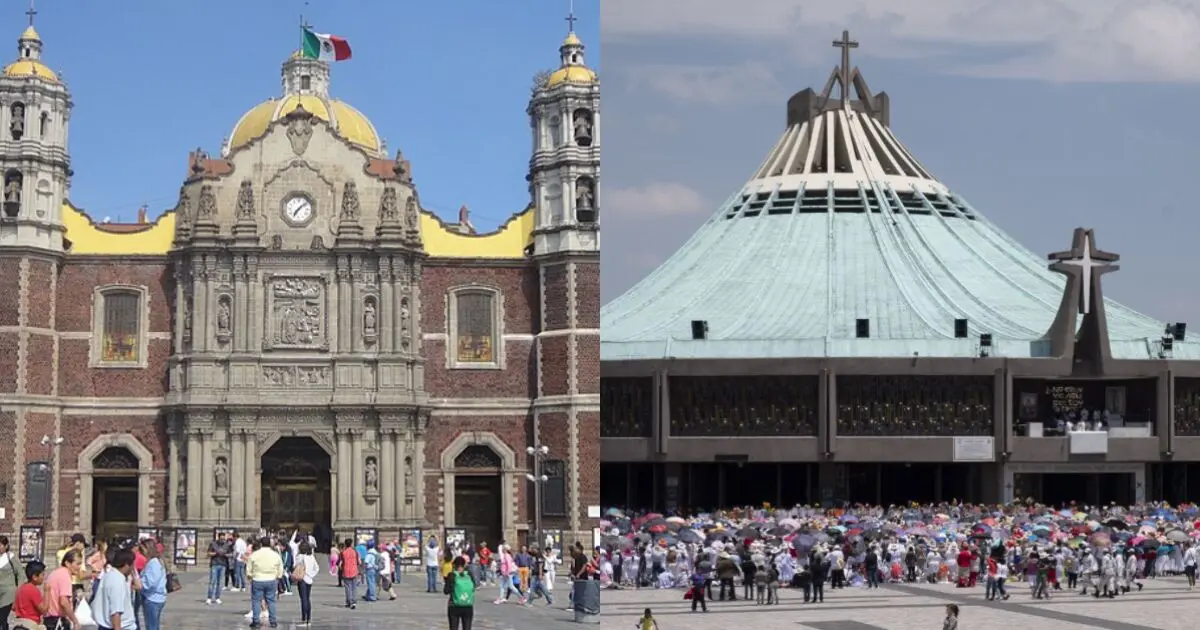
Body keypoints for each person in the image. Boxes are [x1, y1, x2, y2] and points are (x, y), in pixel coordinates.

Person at [91, 548, 136, 630]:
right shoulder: (117, 581)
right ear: (126, 565)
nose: (133, 568)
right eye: (132, 565)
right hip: (120, 626)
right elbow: (116, 611)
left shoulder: (108, 576)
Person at [247, 536, 283, 629]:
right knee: (271, 601)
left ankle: (256, 621)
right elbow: (280, 568)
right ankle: (273, 621)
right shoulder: (275, 555)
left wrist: (250, 576)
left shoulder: (254, 554)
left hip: (258, 579)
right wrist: (278, 577)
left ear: (261, 544)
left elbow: (249, 568)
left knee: (256, 600)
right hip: (271, 579)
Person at [44, 550, 81, 630]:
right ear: (67, 563)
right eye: (77, 564)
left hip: (49, 619)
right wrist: (75, 621)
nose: (79, 567)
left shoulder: (56, 573)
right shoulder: (65, 576)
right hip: (57, 620)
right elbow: (64, 601)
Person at [292, 541, 320, 626]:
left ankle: (304, 620)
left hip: (302, 579)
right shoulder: (311, 557)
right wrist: (311, 574)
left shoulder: (300, 557)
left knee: (303, 599)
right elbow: (317, 568)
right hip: (309, 580)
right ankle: (309, 619)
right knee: (307, 599)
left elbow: (294, 565)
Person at [444, 556, 476, 630]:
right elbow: (473, 587)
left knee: (453, 627)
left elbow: (446, 591)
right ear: (464, 565)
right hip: (468, 605)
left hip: (454, 606)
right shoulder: (469, 575)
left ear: (454, 565)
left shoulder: (452, 575)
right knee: (467, 627)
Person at [0, 535, 23, 630]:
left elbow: (20, 574)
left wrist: (18, 592)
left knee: (1, 617)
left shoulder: (11, 557)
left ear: (6, 546)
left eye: (0, 545)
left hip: (9, 593)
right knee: (3, 620)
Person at [340, 538, 360, 609]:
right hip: (354, 571)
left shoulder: (343, 552)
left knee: (347, 588)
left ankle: (349, 601)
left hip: (346, 571)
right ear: (351, 544)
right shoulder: (355, 552)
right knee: (354, 587)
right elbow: (358, 562)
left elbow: (342, 562)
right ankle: (354, 601)